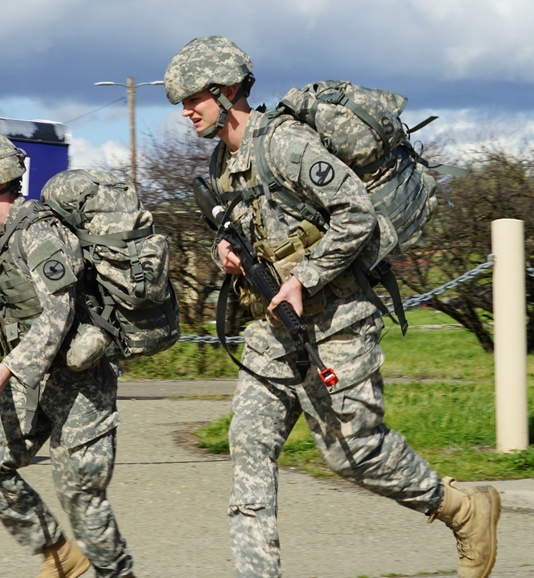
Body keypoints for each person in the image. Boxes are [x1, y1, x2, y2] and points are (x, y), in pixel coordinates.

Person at [163, 36, 500, 578]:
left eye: (192, 98)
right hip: (272, 334)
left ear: (227, 92)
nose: (184, 110)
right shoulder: (224, 161)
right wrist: (222, 252)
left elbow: (356, 216)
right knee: (249, 449)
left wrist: (303, 277)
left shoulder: (286, 145)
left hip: (337, 323)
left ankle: (464, 511)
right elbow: (247, 230)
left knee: (354, 455)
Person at [0, 134, 134, 578]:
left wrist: (10, 366)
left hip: (78, 386)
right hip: (31, 382)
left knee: (81, 500)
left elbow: (59, 312)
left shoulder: (39, 232)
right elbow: (5, 296)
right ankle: (59, 554)